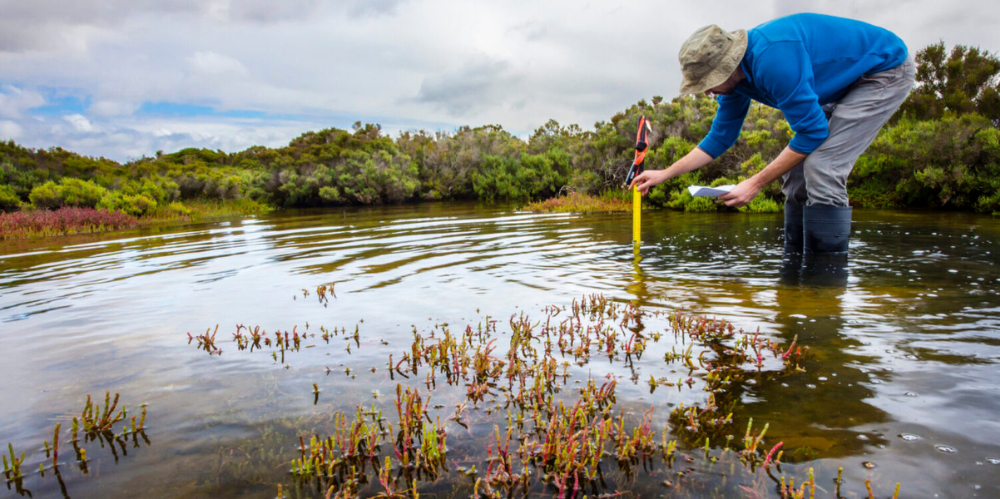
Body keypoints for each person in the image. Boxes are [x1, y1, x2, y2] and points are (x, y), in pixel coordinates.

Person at [628, 13, 915, 255]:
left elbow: (812, 133)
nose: (706, 90)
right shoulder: (736, 82)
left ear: (729, 66)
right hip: (839, 83)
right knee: (797, 171)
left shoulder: (773, 60)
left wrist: (754, 184)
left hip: (882, 72)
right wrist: (665, 173)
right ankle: (794, 271)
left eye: (709, 81)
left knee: (822, 165)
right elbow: (721, 137)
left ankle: (824, 282)